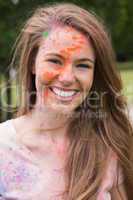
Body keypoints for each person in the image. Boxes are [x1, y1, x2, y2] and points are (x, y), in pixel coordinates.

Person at [0, 2, 133, 200]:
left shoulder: (109, 145)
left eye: (83, 65)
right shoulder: (3, 147)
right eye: (55, 61)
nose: (67, 77)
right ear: (32, 64)